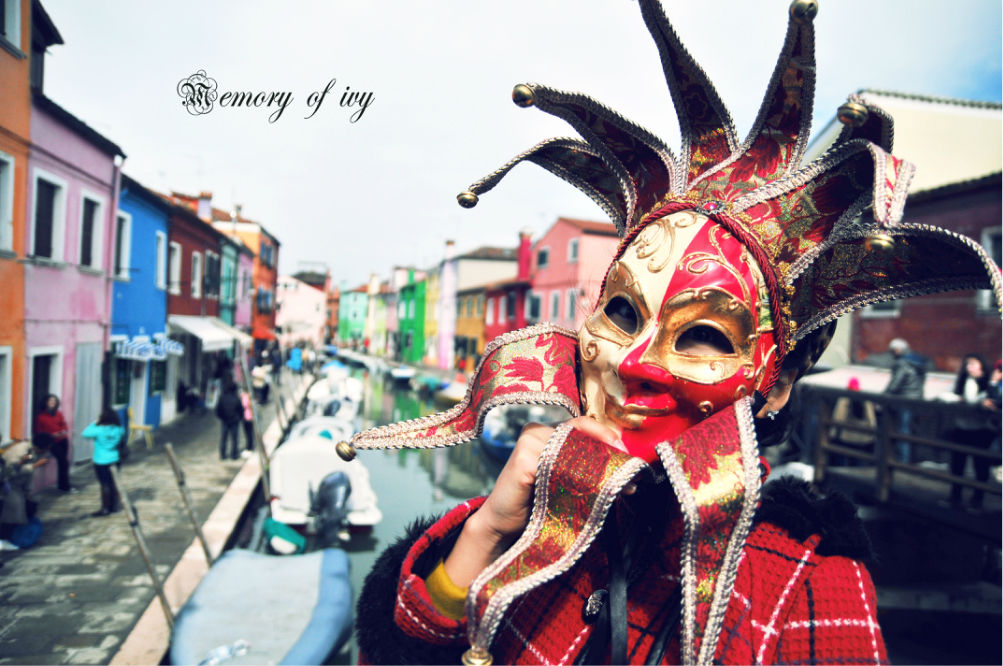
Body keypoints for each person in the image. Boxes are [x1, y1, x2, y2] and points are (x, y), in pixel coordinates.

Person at [349, 2, 1001, 663]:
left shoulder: (806, 585)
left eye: (706, 336)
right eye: (622, 313)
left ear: (776, 385)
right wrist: (490, 528)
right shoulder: (518, 514)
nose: (633, 362)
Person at [937, 354, 999, 512]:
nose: (968, 367)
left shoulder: (990, 383)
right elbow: (943, 395)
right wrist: (959, 399)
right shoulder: (963, 380)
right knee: (957, 465)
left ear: (982, 365)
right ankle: (955, 497)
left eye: (972, 364)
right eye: (967, 364)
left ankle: (977, 500)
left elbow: (984, 400)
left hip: (981, 430)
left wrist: (980, 393)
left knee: (981, 467)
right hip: (961, 429)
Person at [882, 338, 926, 463]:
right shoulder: (918, 361)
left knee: (902, 431)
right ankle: (910, 460)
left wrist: (883, 397)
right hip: (917, 400)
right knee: (911, 431)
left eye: (892, 351)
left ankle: (902, 461)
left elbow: (895, 383)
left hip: (904, 401)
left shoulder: (902, 363)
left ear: (898, 350)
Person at [0, 437, 49, 550]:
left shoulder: (28, 451)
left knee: (14, 513)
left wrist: (28, 491)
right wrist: (32, 465)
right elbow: (9, 472)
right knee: (12, 512)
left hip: (13, 487)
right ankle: (3, 539)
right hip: (9, 486)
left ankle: (6, 538)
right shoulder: (21, 451)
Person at [81, 410, 124, 517]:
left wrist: (94, 423)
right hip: (115, 459)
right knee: (113, 483)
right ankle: (113, 506)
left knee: (105, 484)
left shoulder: (98, 430)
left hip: (101, 461)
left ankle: (105, 509)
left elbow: (85, 433)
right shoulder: (120, 430)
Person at [829, 377, 877, 467]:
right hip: (862, 438)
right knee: (859, 462)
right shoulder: (866, 399)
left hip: (846, 436)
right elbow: (871, 420)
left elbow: (839, 417)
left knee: (843, 461)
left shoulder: (844, 398)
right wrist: (872, 435)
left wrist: (833, 433)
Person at [33, 394, 75, 493]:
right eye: (51, 401)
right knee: (63, 461)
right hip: (51, 442)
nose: (53, 403)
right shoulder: (40, 416)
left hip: (63, 439)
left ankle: (62, 485)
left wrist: (63, 431)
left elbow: (63, 424)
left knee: (63, 462)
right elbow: (38, 431)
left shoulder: (58, 413)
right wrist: (51, 435)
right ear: (46, 402)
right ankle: (65, 486)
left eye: (54, 401)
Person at [216, 382, 243, 461]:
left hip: (225, 421)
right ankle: (234, 455)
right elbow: (241, 410)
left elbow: (218, 410)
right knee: (234, 439)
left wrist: (223, 418)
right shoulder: (236, 398)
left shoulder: (223, 398)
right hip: (234, 421)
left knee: (224, 438)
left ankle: (223, 454)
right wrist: (238, 418)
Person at [240, 388, 256, 458]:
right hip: (249, 417)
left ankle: (249, 447)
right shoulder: (250, 396)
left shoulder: (246, 396)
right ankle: (250, 446)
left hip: (247, 417)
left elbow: (244, 405)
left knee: (248, 433)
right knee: (249, 433)